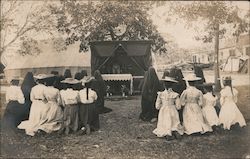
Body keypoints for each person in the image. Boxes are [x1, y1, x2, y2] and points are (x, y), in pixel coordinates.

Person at [153, 76, 184, 140]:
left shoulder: (160, 94)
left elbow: (157, 106)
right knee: (174, 122)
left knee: (165, 122)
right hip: (173, 110)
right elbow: (178, 107)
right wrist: (172, 106)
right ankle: (174, 131)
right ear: (172, 85)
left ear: (164, 85)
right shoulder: (175, 94)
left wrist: (163, 105)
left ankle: (167, 133)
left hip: (164, 110)